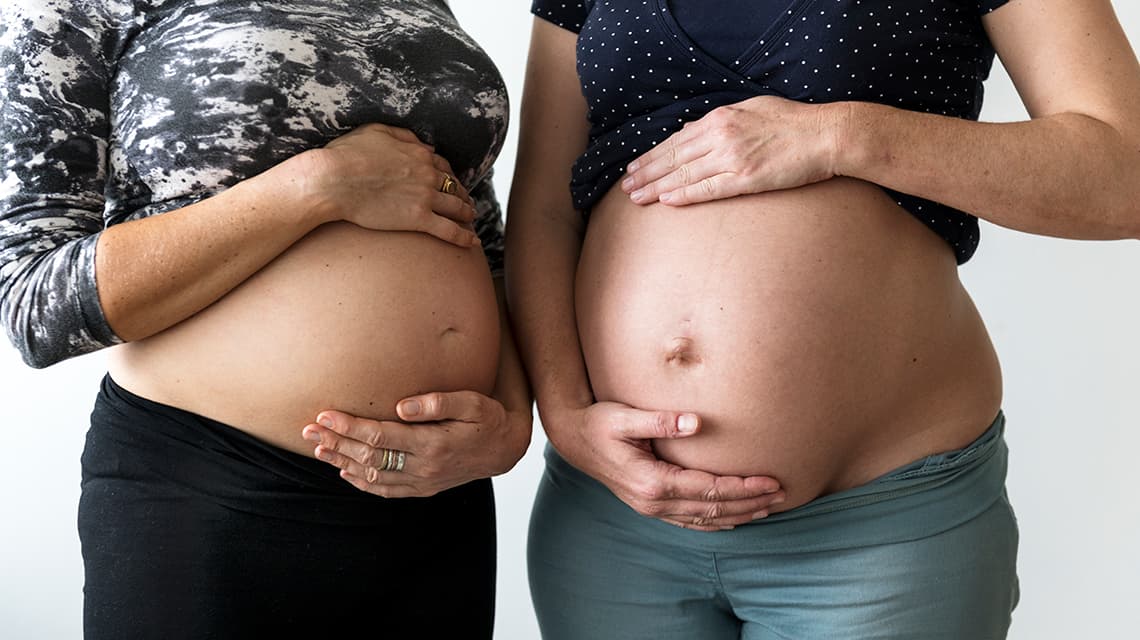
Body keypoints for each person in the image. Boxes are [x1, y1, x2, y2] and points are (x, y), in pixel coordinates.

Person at [507, 0, 1140, 638]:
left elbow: (1126, 173)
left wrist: (840, 136)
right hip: (616, 522)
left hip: (881, 533)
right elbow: (542, 206)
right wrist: (565, 419)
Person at [0, 1, 530, 638]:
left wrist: (509, 425)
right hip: (211, 491)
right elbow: (32, 303)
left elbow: (480, 234)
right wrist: (314, 185)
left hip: (440, 485)